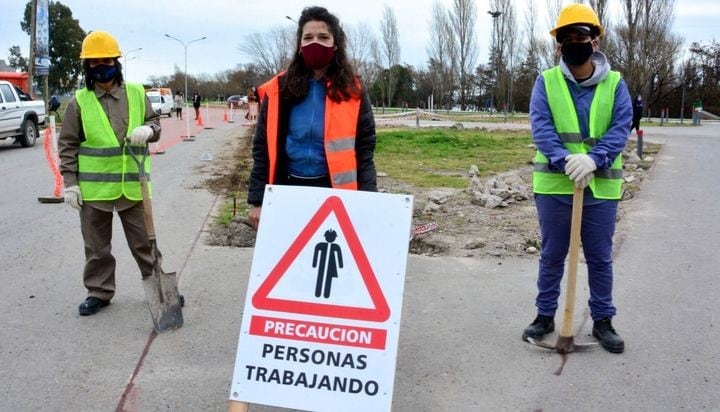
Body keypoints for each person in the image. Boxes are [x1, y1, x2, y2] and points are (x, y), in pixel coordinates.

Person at [523, 3, 632, 353]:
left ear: (595, 42)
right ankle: (545, 316)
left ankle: (603, 321)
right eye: (567, 38)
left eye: (581, 37)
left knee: (599, 257)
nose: (574, 43)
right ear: (558, 46)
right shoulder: (546, 81)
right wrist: (566, 159)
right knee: (553, 254)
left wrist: (595, 159)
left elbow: (620, 128)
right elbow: (541, 127)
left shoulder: (615, 83)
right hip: (556, 185)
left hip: (601, 186)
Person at [58, 30, 162, 316]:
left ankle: (159, 285)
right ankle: (99, 291)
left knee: (145, 242)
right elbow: (67, 145)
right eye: (93, 63)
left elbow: (155, 125)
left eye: (106, 60)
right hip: (95, 190)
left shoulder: (137, 93)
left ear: (116, 62)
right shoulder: (79, 102)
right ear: (86, 67)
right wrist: (70, 184)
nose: (100, 66)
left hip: (133, 185)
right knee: (96, 247)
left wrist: (149, 130)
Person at [247, 6, 377, 230]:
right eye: (308, 37)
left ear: (335, 45)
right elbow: (262, 149)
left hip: (335, 193)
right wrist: (257, 201)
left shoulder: (353, 91)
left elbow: (364, 150)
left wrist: (368, 199)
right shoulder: (278, 89)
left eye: (323, 37)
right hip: (286, 190)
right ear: (299, 45)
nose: (315, 42)